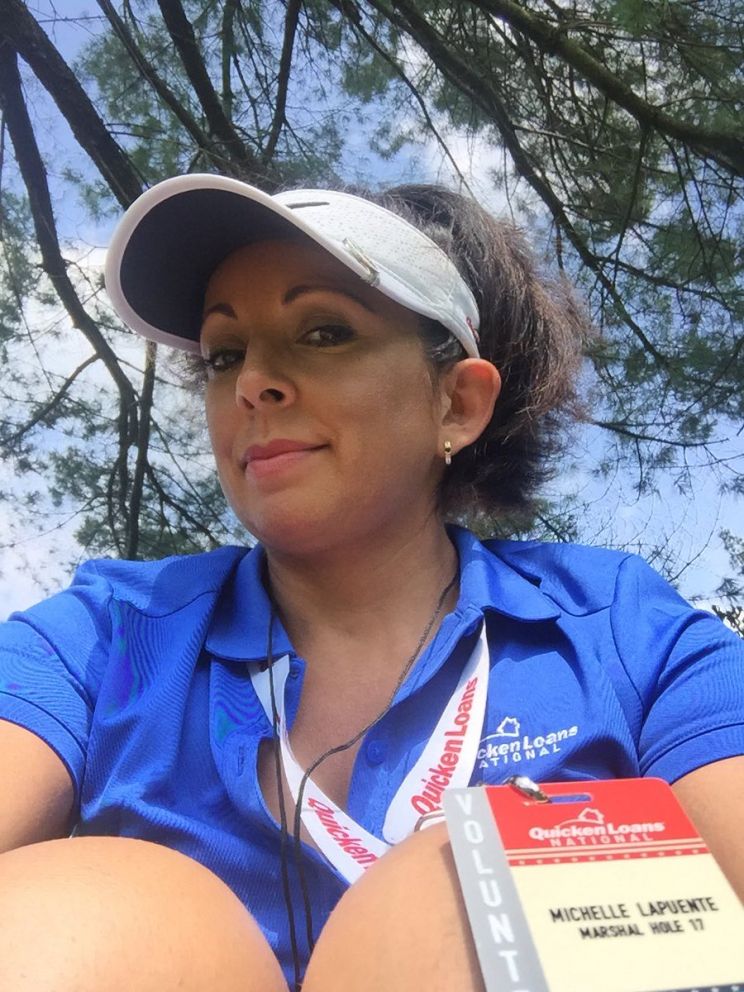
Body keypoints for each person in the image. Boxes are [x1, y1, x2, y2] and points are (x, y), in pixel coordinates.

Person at [0, 175, 742, 992]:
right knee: (97, 907)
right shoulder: (102, 634)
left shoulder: (627, 629)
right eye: (224, 354)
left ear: (457, 404)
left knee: (461, 897)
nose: (251, 383)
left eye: (323, 332)